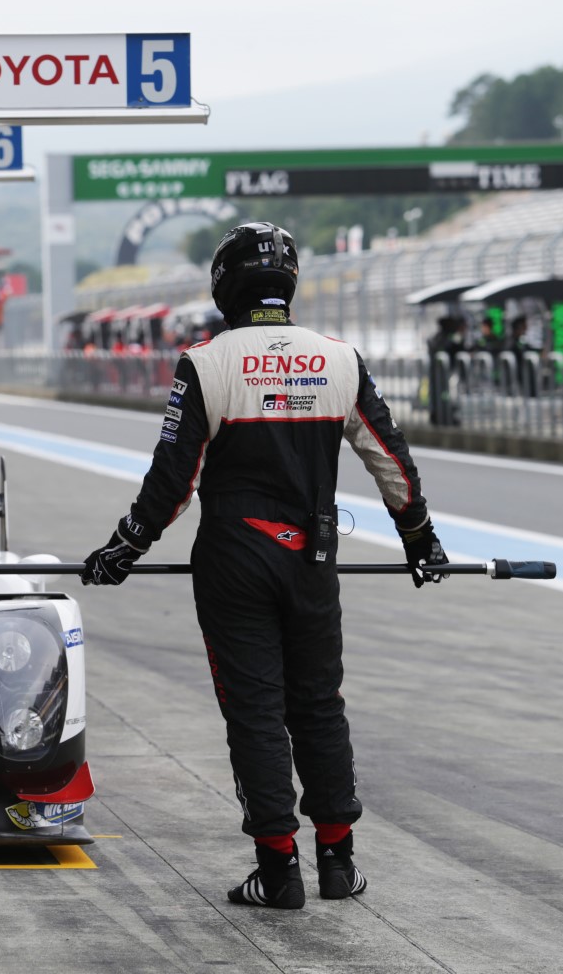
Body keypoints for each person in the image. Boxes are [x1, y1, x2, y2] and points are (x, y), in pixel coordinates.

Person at [80, 222, 448, 911]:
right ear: (289, 284)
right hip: (314, 553)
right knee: (318, 705)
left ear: (226, 286)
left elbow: (172, 482)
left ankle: (278, 872)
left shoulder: (208, 362)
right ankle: (338, 860)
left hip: (235, 558)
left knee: (255, 712)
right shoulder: (340, 358)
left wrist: (123, 549)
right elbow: (390, 460)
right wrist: (420, 538)